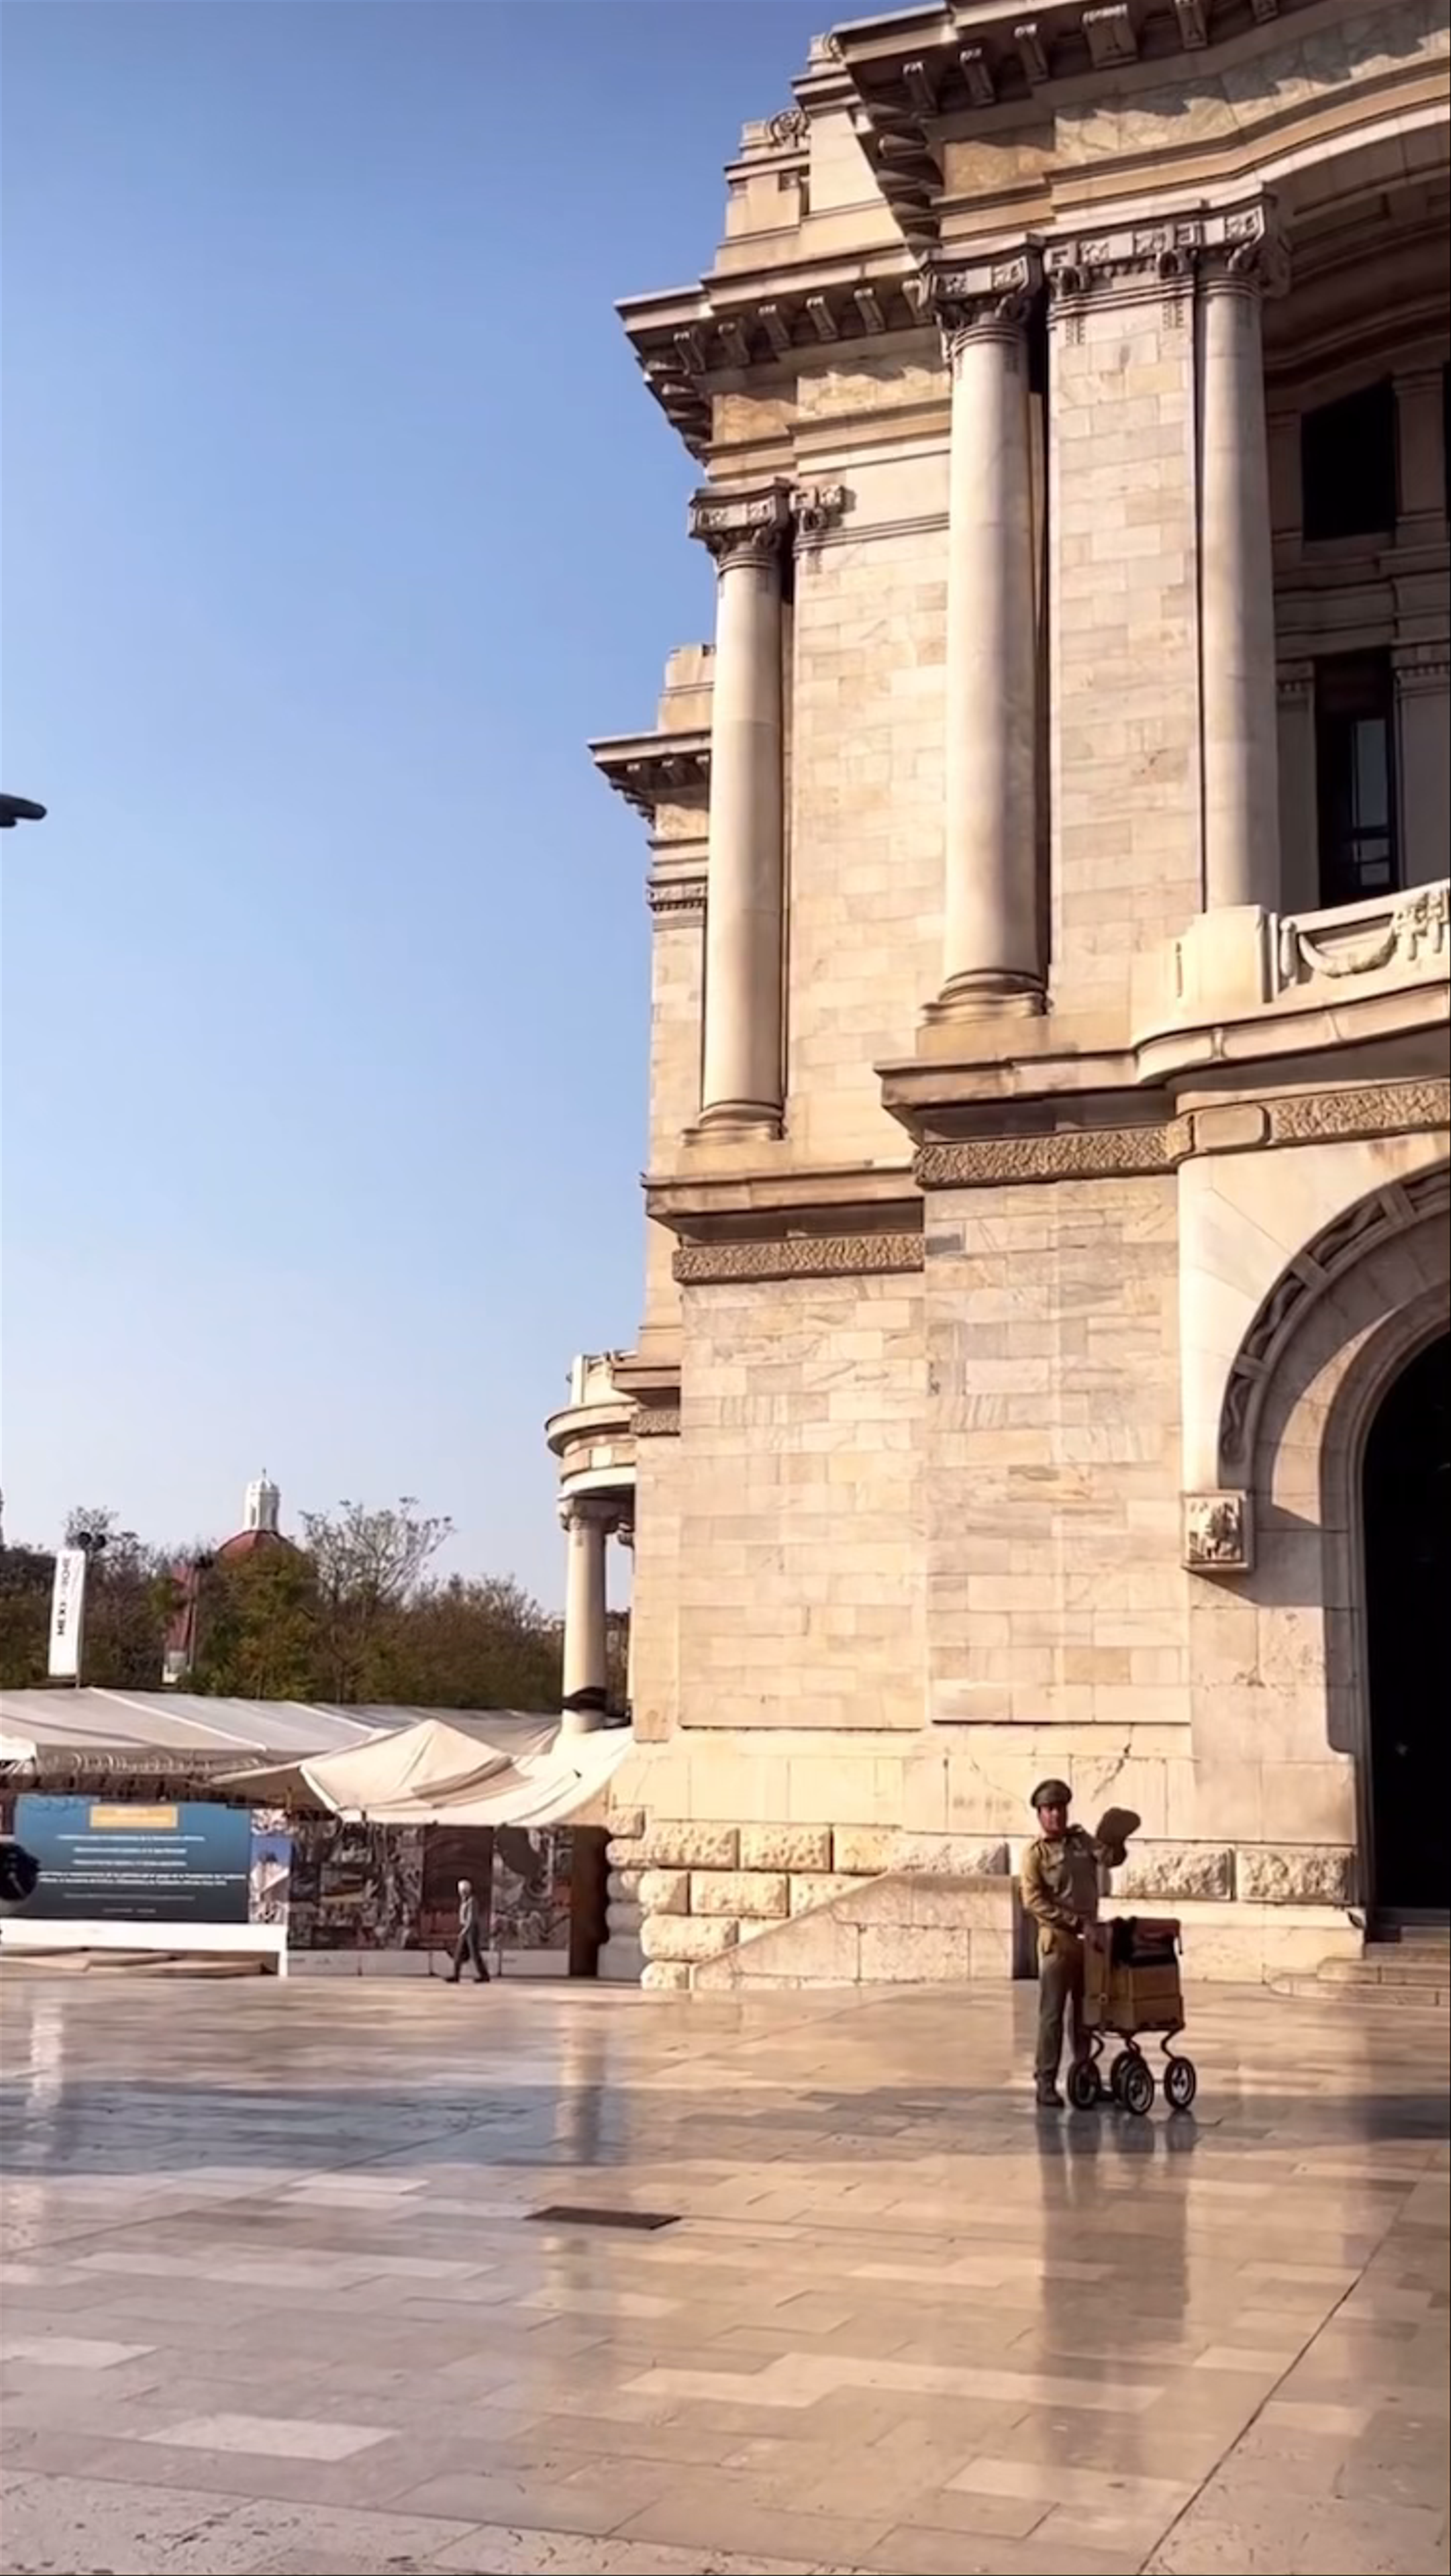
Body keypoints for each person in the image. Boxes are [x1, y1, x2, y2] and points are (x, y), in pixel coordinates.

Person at [1021, 1780, 1101, 2108]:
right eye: (1050, 1810)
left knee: (1087, 2014)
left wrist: (1117, 1840)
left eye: (1061, 1808)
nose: (1056, 1815)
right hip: (1058, 1942)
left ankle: (1084, 2075)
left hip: (1091, 1942)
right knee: (1052, 2015)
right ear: (1040, 1814)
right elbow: (1032, 1900)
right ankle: (1046, 2081)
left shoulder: (1082, 1841)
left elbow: (1107, 1856)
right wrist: (1071, 1920)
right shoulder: (1035, 1855)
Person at [447, 1877, 490, 1985]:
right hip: (466, 1929)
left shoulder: (472, 1901)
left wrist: (464, 1932)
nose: (460, 1893)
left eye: (461, 1890)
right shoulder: (465, 1901)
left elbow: (471, 1919)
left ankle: (484, 1976)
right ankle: (456, 1976)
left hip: (472, 1930)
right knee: (458, 1954)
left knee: (475, 1954)